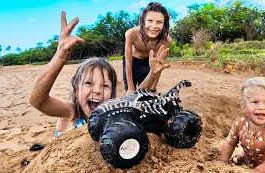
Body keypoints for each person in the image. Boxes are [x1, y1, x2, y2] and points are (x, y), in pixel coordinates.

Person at [29, 11, 170, 137]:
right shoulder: (71, 114)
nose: (96, 91)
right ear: (76, 88)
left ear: (112, 93)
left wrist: (152, 73)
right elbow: (37, 100)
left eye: (105, 86)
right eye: (88, 83)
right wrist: (59, 57)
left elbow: (135, 98)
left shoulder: (112, 114)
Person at [219, 77, 265, 173]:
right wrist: (223, 161)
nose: (261, 107)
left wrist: (258, 172)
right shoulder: (239, 123)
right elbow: (230, 142)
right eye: (255, 102)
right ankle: (237, 159)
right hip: (246, 156)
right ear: (244, 106)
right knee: (239, 159)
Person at [123, 2, 172, 95]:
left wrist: (153, 88)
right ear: (143, 21)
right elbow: (128, 62)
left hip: (149, 63)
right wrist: (130, 88)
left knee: (146, 94)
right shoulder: (131, 34)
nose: (154, 26)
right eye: (150, 21)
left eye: (159, 22)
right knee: (132, 96)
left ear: (164, 24)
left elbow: (159, 66)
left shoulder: (167, 40)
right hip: (133, 63)